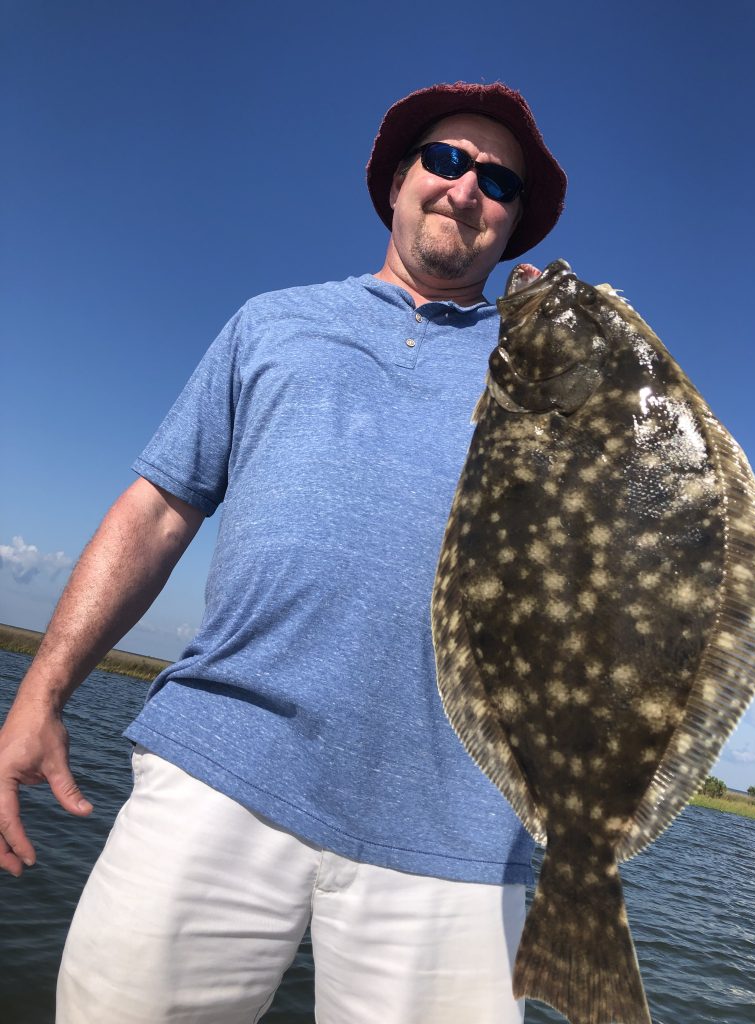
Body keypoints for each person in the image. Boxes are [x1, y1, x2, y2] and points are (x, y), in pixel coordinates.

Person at [0, 81, 566, 1023]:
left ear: (513, 223)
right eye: (448, 161)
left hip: (459, 829)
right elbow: (158, 511)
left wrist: (569, 357)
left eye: (499, 182)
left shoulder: (547, 370)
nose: (468, 189)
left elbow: (620, 538)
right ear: (398, 180)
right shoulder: (270, 322)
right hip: (219, 768)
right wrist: (41, 693)